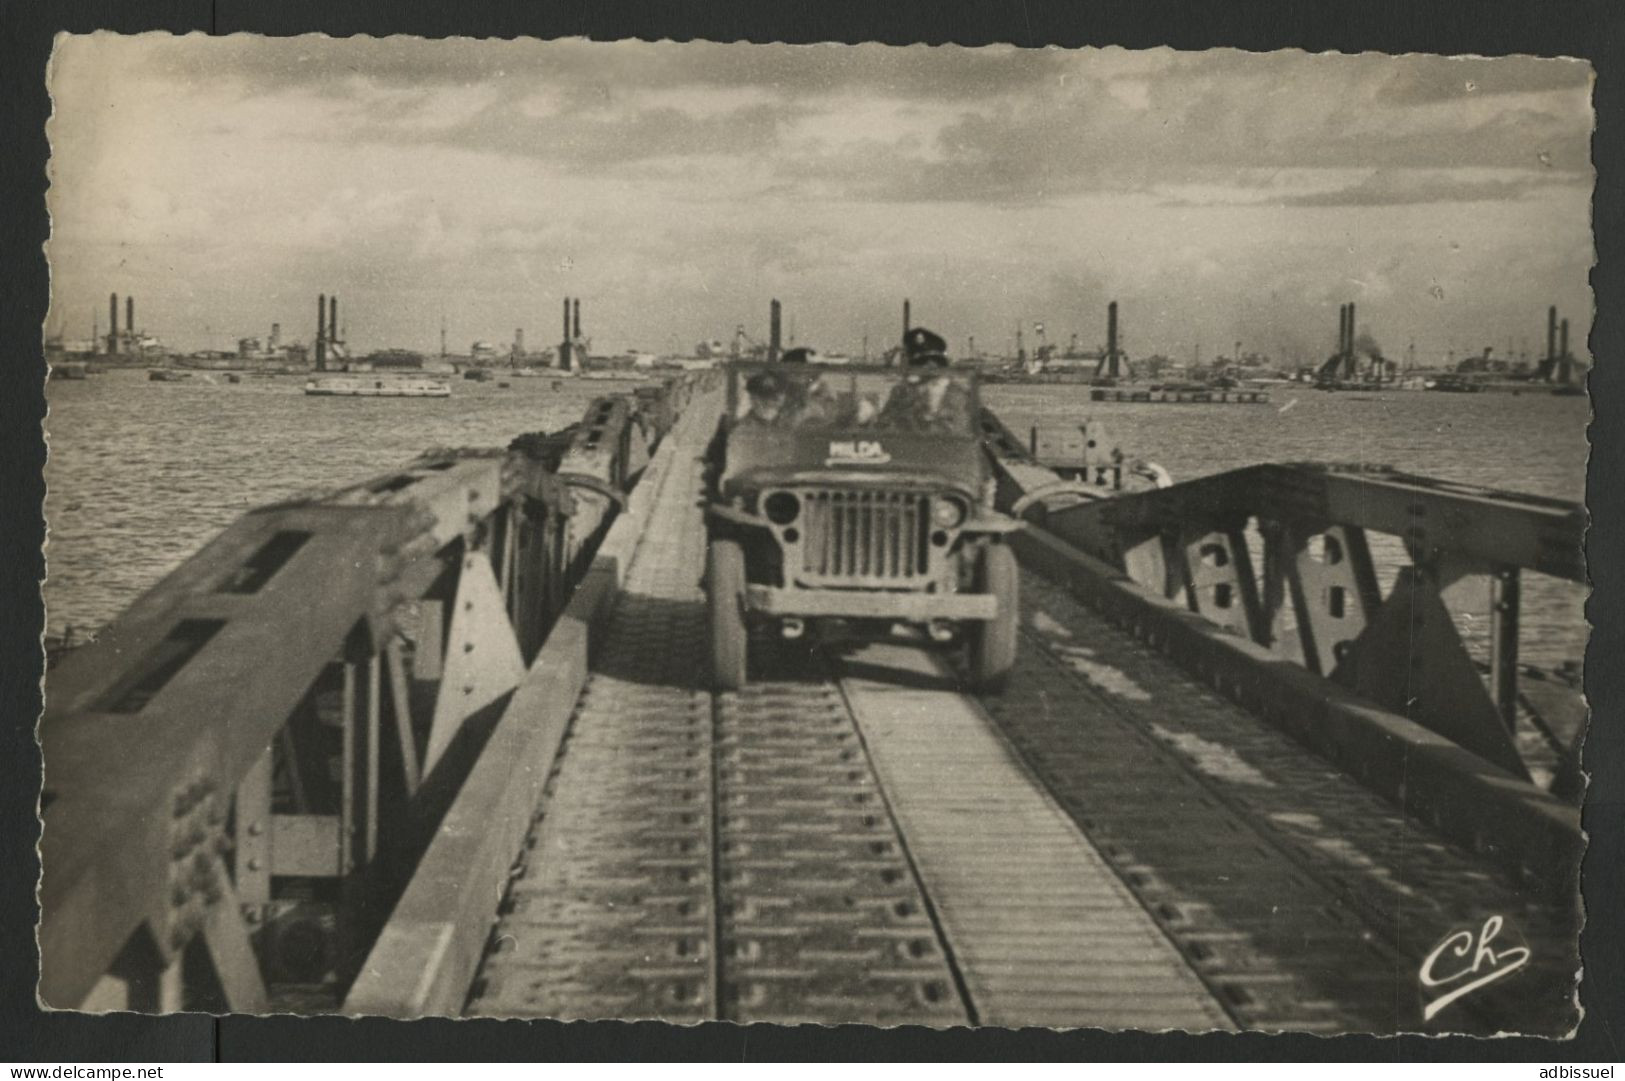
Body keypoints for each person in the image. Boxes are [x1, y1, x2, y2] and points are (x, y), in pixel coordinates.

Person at [877, 326, 971, 431]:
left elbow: (969, 432)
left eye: (933, 362)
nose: (927, 367)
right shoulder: (901, 392)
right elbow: (882, 427)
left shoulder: (960, 394)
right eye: (919, 363)